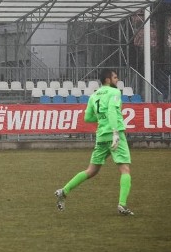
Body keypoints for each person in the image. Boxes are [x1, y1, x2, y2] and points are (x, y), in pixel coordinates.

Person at [54, 69, 134, 216]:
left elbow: (88, 118)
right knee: (125, 170)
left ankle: (64, 191)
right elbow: (111, 110)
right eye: (115, 77)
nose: (117, 80)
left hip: (102, 136)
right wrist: (115, 132)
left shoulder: (94, 95)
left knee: (91, 171)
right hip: (115, 135)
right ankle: (122, 205)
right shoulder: (114, 93)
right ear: (108, 80)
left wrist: (101, 119)